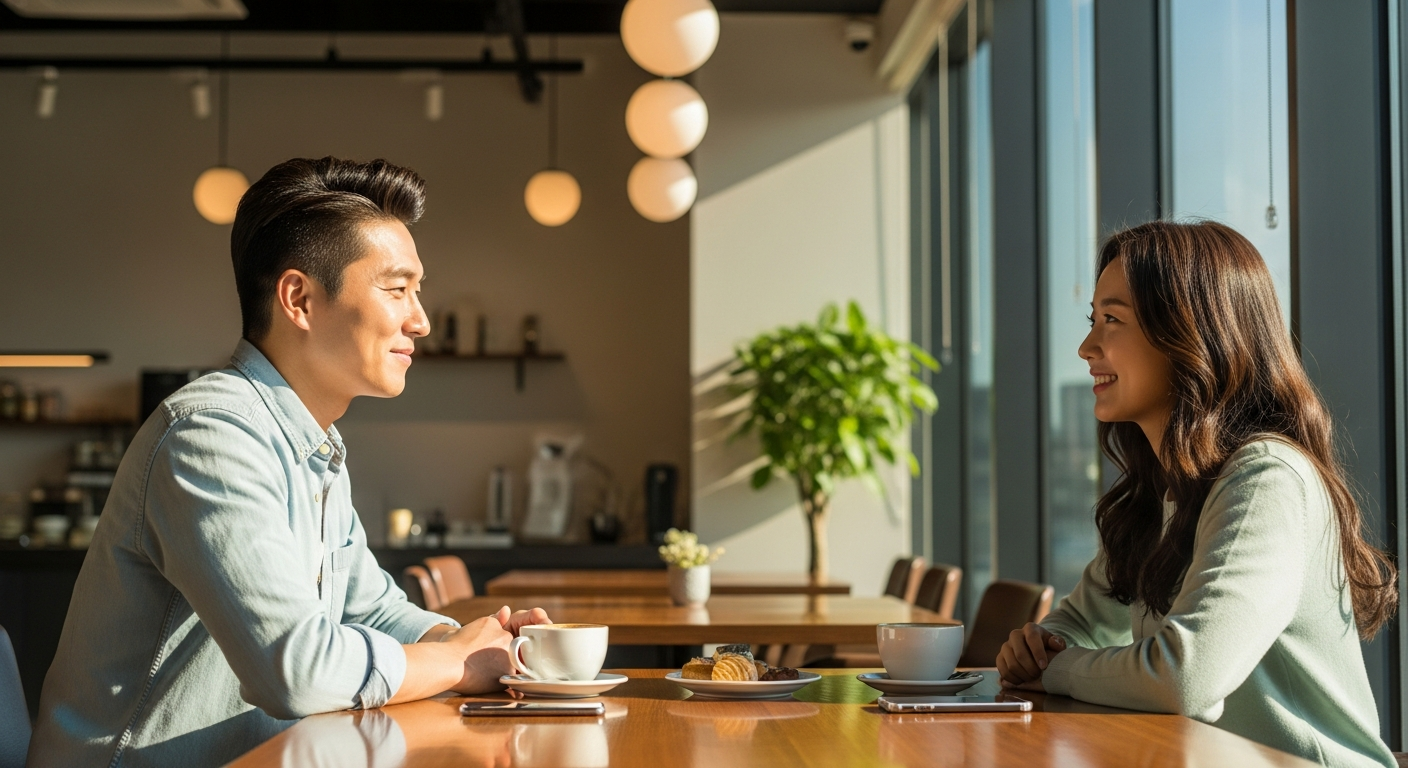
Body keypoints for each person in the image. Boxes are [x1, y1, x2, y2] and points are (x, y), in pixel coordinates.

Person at [27, 157, 549, 768]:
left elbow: (370, 606)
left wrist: (472, 641)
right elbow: (296, 671)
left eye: (419, 290)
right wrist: (457, 661)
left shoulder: (313, 446)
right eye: (396, 288)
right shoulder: (212, 436)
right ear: (299, 298)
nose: (421, 319)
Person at [995, 220, 1397, 767]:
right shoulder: (1165, 489)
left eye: (1112, 320)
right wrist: (1040, 644)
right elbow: (1083, 622)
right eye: (1093, 320)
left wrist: (1055, 669)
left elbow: (1188, 676)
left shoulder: (1266, 479)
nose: (1086, 346)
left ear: (1190, 336)